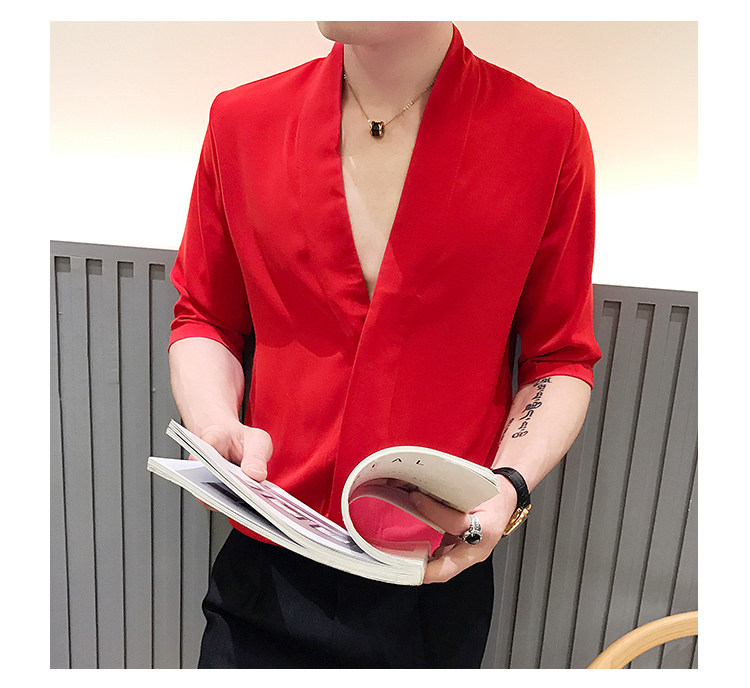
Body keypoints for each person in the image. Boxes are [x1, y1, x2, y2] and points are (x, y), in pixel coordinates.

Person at [168, 21, 601, 669]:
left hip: (432, 566)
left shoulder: (544, 135)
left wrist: (508, 487)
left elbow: (559, 356)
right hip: (267, 557)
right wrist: (214, 425)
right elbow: (206, 315)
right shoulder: (243, 122)